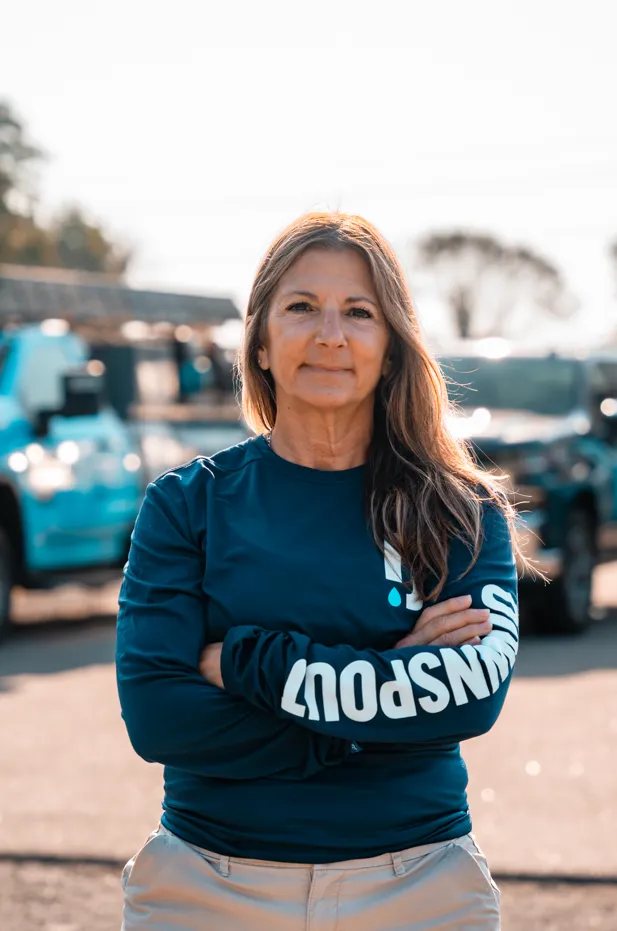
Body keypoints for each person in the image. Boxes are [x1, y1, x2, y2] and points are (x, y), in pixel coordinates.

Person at [116, 211, 524, 931]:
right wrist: (384, 693)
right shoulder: (186, 505)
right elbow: (160, 718)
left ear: (391, 348)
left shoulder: (463, 511)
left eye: (358, 313)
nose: (330, 334)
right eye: (301, 307)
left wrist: (248, 661)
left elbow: (467, 701)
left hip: (419, 887)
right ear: (262, 343)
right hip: (208, 886)